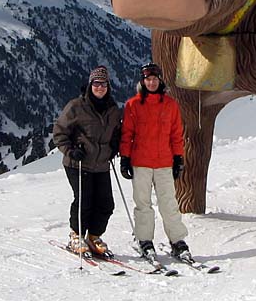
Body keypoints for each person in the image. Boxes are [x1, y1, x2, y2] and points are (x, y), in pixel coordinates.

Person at [119, 62, 190, 260]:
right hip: (140, 162)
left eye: (154, 79)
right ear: (143, 82)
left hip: (164, 162)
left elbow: (176, 134)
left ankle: (177, 241)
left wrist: (178, 157)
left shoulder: (170, 105)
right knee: (143, 204)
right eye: (148, 79)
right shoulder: (133, 105)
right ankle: (145, 240)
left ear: (160, 81)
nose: (151, 83)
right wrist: (125, 158)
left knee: (169, 203)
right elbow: (127, 134)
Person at [52, 65, 122, 257]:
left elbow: (116, 131)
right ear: (90, 85)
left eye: (104, 84)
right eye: (96, 84)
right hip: (78, 162)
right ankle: (76, 235)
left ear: (108, 86)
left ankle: (94, 236)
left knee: (106, 203)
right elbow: (59, 132)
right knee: (84, 200)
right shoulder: (76, 106)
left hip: (101, 163)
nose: (100, 87)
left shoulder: (113, 109)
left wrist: (114, 146)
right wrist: (70, 150)